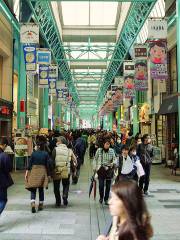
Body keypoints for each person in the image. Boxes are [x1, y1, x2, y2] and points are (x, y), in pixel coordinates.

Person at [25, 138, 50, 213]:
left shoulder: (33, 153)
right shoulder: (45, 154)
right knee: (41, 189)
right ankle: (41, 204)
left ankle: (33, 203)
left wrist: (26, 172)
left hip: (34, 171)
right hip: (42, 171)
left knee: (33, 188)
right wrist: (48, 175)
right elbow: (47, 165)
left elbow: (29, 164)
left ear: (38, 146)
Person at [52, 136, 77, 207]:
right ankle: (65, 195)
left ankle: (58, 202)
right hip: (66, 170)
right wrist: (73, 169)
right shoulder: (69, 150)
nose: (56, 142)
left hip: (57, 171)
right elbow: (75, 161)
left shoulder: (55, 149)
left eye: (57, 141)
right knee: (66, 184)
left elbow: (52, 160)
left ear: (61, 142)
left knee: (56, 187)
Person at [93, 138, 116, 205]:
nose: (107, 145)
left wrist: (112, 164)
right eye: (106, 144)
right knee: (101, 185)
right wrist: (95, 168)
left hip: (109, 170)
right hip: (101, 169)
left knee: (108, 186)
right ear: (103, 144)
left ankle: (106, 199)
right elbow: (95, 159)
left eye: (108, 144)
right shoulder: (99, 150)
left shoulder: (112, 151)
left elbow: (115, 159)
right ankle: (101, 197)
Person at [0, 138, 14, 215]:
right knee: (3, 200)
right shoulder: (4, 156)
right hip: (1, 182)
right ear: (4, 145)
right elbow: (9, 168)